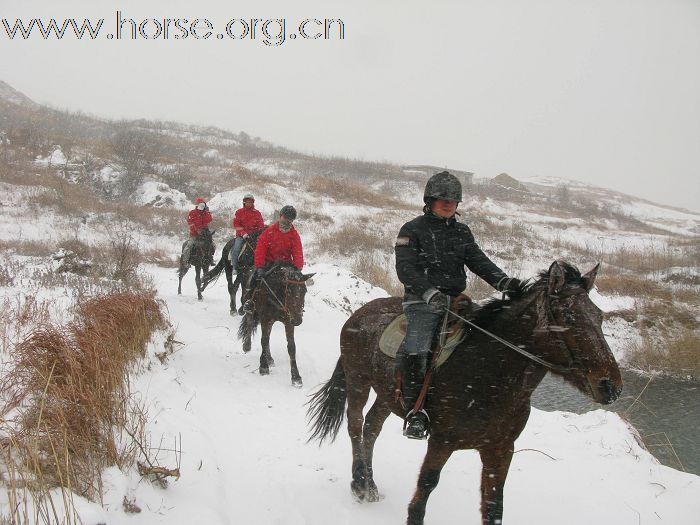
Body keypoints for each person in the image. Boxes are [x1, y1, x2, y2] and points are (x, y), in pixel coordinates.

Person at [394, 171, 521, 440]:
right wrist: (429, 293)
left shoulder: (462, 232)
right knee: (416, 347)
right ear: (430, 200)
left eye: (453, 200)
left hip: (456, 302)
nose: (448, 203)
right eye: (443, 199)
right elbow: (406, 269)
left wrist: (504, 282)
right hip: (421, 301)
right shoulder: (411, 230)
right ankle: (415, 412)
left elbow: (479, 261)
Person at [241, 205, 303, 312]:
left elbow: (298, 252)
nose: (287, 221)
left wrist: (298, 268)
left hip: (286, 264)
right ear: (280, 216)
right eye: (285, 218)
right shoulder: (269, 231)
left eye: (290, 220)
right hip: (270, 262)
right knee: (254, 277)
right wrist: (260, 266)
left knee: (298, 285)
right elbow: (261, 249)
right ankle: (249, 301)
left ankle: (296, 306)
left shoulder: (294, 234)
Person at [230, 194, 265, 272]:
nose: (248, 203)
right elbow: (236, 224)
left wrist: (258, 232)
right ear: (244, 202)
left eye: (250, 202)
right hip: (242, 235)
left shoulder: (257, 213)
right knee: (237, 247)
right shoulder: (239, 212)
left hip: (254, 235)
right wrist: (243, 233)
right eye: (247, 202)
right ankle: (234, 266)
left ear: (253, 203)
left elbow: (261, 225)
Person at [183, 197, 213, 264]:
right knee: (189, 246)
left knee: (212, 244)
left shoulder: (205, 213)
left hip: (205, 233)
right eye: (200, 205)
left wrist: (207, 212)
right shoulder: (192, 213)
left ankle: (210, 258)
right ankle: (185, 261)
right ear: (197, 205)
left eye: (203, 205)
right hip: (194, 234)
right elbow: (190, 222)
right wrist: (197, 230)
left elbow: (209, 220)